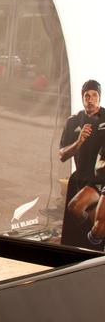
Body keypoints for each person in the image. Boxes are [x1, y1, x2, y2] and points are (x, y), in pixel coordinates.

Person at [59, 79, 105, 249]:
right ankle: (95, 235)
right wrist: (78, 142)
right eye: (87, 96)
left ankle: (96, 237)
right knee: (77, 213)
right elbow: (62, 155)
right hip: (80, 178)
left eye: (94, 95)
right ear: (82, 98)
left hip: (101, 179)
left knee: (78, 209)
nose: (90, 99)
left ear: (99, 97)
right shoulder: (73, 121)